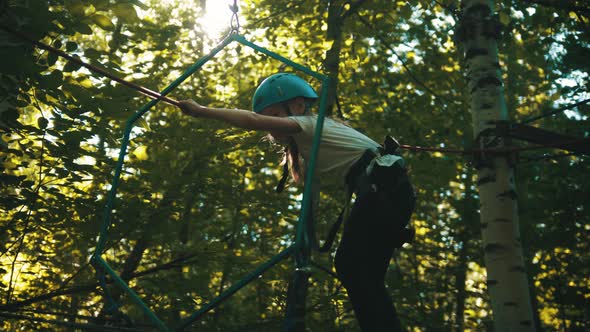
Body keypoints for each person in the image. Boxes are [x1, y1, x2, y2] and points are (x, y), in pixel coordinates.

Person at [178, 72, 416, 331]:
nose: (271, 125)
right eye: (270, 118)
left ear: (299, 106)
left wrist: (202, 110)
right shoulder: (309, 145)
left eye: (275, 116)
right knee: (364, 274)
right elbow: (311, 197)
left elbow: (252, 120)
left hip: (383, 191)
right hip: (390, 193)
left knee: (350, 267)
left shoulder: (309, 124)